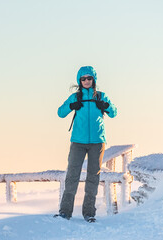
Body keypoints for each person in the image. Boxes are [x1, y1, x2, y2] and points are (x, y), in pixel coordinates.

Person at [55, 66, 117, 222]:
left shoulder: (101, 96)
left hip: (97, 142)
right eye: (83, 79)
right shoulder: (76, 97)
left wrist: (106, 106)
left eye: (89, 78)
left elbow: (114, 113)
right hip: (78, 142)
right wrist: (71, 106)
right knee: (72, 176)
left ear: (94, 80)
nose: (87, 81)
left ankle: (89, 213)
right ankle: (65, 212)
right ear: (79, 81)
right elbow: (60, 113)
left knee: (93, 177)